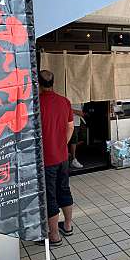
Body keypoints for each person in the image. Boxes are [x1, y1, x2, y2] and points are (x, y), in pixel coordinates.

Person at [39, 70, 75, 246]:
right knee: (64, 189)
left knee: (50, 196)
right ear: (53, 82)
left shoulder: (36, 104)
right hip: (62, 157)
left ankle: (54, 236)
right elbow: (70, 128)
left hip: (46, 160)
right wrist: (63, 144)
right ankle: (67, 226)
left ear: (38, 83)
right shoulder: (64, 101)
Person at [69, 104, 84, 169]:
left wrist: (71, 110)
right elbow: (81, 113)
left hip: (77, 123)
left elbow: (81, 113)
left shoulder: (80, 101)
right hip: (71, 123)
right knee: (73, 141)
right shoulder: (68, 100)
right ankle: (73, 159)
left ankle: (72, 159)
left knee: (74, 141)